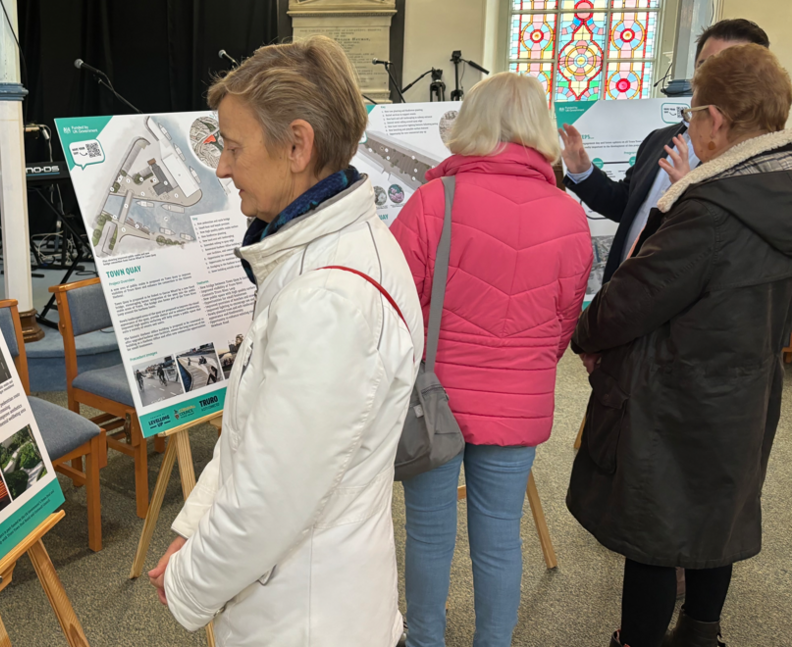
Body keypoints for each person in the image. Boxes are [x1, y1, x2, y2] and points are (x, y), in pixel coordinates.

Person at [146, 35, 424, 646]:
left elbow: (270, 502)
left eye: (233, 147)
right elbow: (257, 440)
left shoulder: (331, 298)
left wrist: (189, 580)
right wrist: (194, 527)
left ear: (297, 145)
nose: (221, 167)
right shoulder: (327, 253)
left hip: (308, 620)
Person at [568, 44, 792, 647]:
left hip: (679, 392)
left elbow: (629, 301)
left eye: (692, 113)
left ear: (714, 120)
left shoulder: (713, 207)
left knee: (657, 529)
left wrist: (584, 333)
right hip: (748, 388)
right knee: (717, 512)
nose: (688, 125)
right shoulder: (777, 188)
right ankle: (700, 634)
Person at [388, 72, 592, 647]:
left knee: (429, 535)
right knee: (500, 536)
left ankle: (426, 640)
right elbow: (563, 322)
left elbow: (397, 305)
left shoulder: (434, 201)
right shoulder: (568, 213)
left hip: (435, 402)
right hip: (518, 400)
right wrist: (524, 365)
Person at [559, 19, 770, 286]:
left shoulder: (761, 156)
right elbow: (626, 206)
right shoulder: (660, 139)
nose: (714, 79)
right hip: (623, 296)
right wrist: (583, 173)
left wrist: (689, 194)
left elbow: (743, 249)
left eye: (729, 68)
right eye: (705, 67)